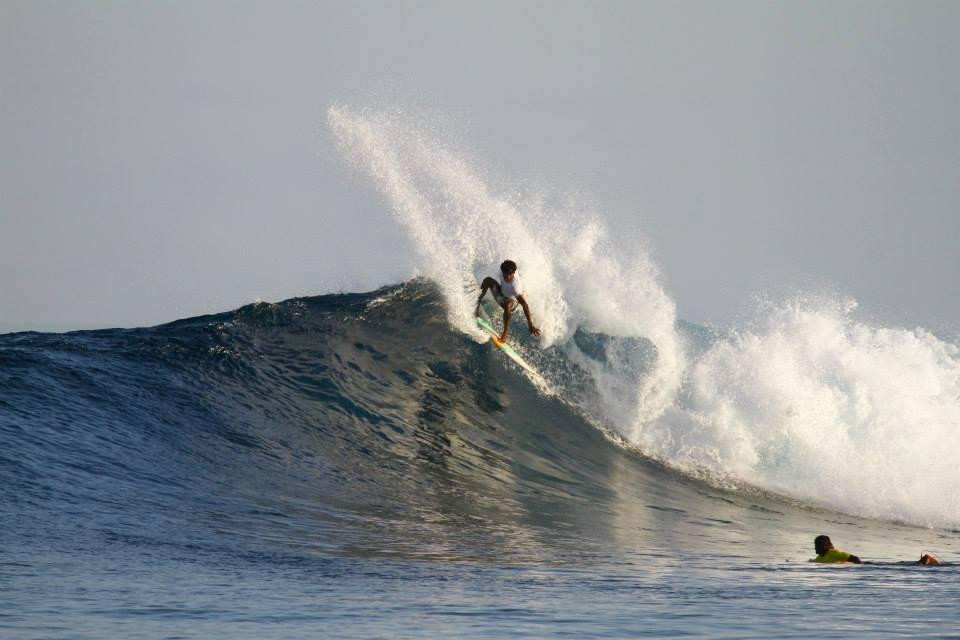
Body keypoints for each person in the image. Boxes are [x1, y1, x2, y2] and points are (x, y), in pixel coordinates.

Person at [475, 260, 541, 342]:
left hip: (512, 303)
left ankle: (504, 334)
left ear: (513, 273)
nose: (506, 277)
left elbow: (525, 305)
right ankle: (476, 304)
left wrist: (530, 325)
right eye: (505, 274)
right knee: (488, 280)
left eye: (509, 275)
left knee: (508, 303)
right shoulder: (503, 270)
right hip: (502, 294)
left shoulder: (515, 288)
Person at [813, 535, 940, 565]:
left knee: (914, 567)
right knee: (914, 566)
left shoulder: (833, 553)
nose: (815, 548)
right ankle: (925, 560)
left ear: (824, 546)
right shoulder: (821, 557)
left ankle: (926, 559)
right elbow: (814, 561)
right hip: (865, 565)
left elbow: (855, 558)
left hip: (867, 565)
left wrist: (862, 567)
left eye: (817, 545)